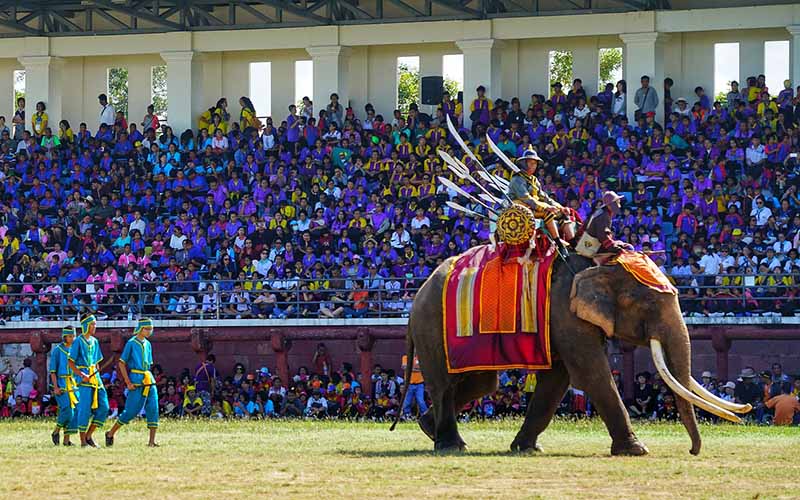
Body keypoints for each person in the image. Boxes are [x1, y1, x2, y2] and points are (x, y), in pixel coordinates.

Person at [105, 318, 159, 447]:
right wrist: (128, 382)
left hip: (148, 379)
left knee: (153, 408)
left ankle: (151, 441)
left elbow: (149, 363)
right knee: (131, 411)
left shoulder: (148, 344)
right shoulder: (131, 343)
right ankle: (110, 433)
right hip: (136, 378)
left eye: (151, 329)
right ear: (140, 329)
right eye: (147, 329)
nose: (149, 331)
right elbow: (121, 363)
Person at [506, 146, 573, 244]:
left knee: (562, 214)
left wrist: (560, 207)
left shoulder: (534, 180)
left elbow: (544, 197)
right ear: (524, 163)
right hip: (523, 210)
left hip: (535, 207)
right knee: (548, 213)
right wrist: (546, 208)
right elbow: (527, 199)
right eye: (531, 163)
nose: (534, 166)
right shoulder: (517, 179)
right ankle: (558, 243)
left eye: (535, 164)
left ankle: (573, 242)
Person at [68, 313, 110, 448]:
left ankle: (89, 435)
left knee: (104, 407)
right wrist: (81, 375)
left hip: (95, 378)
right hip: (83, 378)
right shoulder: (78, 342)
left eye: (95, 324)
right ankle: (82, 441)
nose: (94, 327)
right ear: (86, 325)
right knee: (84, 409)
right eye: (92, 324)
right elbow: (70, 362)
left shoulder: (95, 341)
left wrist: (98, 376)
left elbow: (97, 362)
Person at [577, 191, 633, 258]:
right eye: (617, 202)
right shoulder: (604, 216)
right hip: (596, 246)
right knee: (629, 248)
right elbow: (602, 236)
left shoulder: (600, 212)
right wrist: (614, 248)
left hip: (593, 243)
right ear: (610, 205)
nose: (619, 204)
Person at [49, 326, 79, 446]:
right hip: (61, 383)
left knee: (74, 411)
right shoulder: (57, 350)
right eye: (70, 336)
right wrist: (55, 387)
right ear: (64, 337)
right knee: (66, 410)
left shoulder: (76, 350)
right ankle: (56, 431)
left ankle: (66, 440)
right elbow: (52, 371)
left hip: (73, 384)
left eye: (73, 336)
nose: (72, 338)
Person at [401, 353, 428, 419]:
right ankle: (407, 415)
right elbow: (404, 367)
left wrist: (410, 368)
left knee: (421, 401)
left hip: (419, 384)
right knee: (407, 401)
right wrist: (417, 369)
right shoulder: (405, 357)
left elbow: (424, 368)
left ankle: (425, 416)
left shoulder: (421, 357)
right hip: (409, 384)